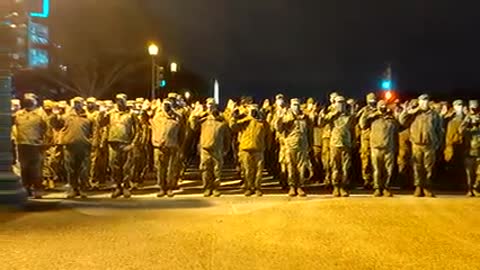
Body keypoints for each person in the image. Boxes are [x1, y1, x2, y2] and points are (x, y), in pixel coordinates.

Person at [399, 94, 443, 197]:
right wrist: (406, 111)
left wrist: (438, 143)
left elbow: (439, 130)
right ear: (419, 101)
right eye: (422, 100)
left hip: (430, 144)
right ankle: (418, 187)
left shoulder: (434, 114)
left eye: (426, 100)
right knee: (417, 166)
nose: (425, 102)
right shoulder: (414, 113)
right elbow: (402, 121)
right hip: (416, 143)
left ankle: (426, 187)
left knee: (428, 167)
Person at [51, 97, 93, 198]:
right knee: (71, 169)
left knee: (84, 169)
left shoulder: (89, 117)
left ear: (83, 104)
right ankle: (73, 189)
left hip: (84, 146)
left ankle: (82, 189)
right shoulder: (66, 116)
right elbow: (55, 125)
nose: (77, 105)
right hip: (70, 146)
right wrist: (55, 115)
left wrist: (93, 142)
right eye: (75, 103)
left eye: (79, 103)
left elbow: (94, 131)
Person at [100, 93, 140, 198]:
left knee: (127, 167)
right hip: (113, 143)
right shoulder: (111, 113)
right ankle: (118, 187)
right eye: (117, 100)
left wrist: (133, 143)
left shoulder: (131, 114)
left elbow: (138, 130)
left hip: (126, 143)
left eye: (121, 100)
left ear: (125, 101)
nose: (119, 102)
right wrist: (102, 114)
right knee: (114, 167)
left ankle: (126, 186)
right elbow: (101, 124)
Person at [189, 98, 230, 197]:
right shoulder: (203, 118)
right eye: (208, 104)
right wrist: (195, 114)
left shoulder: (221, 119)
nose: (210, 106)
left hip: (217, 148)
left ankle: (216, 188)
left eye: (212, 104)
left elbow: (227, 136)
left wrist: (226, 149)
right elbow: (193, 127)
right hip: (205, 148)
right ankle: (207, 187)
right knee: (205, 170)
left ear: (215, 105)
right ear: (206, 105)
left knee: (217, 170)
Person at [360, 100, 398, 197]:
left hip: (388, 147)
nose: (383, 108)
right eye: (381, 106)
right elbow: (362, 124)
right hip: (376, 147)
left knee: (388, 169)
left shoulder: (391, 118)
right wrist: (369, 114)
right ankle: (377, 188)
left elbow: (400, 127)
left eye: (384, 106)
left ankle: (385, 187)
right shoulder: (373, 118)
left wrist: (397, 113)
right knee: (376, 169)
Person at [275, 98, 312, 197]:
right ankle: (291, 186)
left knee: (301, 167)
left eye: (297, 104)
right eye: (294, 104)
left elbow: (310, 132)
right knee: (290, 166)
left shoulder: (305, 117)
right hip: (290, 145)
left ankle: (300, 186)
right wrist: (280, 117)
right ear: (290, 106)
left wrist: (310, 145)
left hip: (302, 145)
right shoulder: (287, 116)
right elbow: (278, 129)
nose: (296, 106)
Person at [14, 93, 48, 198]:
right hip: (22, 145)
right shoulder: (18, 114)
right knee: (24, 169)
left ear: (35, 101)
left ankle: (38, 190)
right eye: (26, 100)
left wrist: (45, 143)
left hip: (35, 145)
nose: (28, 101)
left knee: (36, 170)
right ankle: (26, 189)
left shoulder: (41, 114)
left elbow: (47, 129)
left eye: (31, 100)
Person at [231, 104, 269, 196]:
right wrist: (234, 117)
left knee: (258, 171)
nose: (253, 112)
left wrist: (261, 117)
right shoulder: (245, 121)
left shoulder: (262, 122)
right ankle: (249, 187)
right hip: (245, 149)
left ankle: (257, 188)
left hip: (258, 149)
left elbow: (268, 132)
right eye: (252, 110)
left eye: (255, 110)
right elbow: (233, 127)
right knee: (247, 170)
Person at [320, 95, 355, 197]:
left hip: (346, 144)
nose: (340, 104)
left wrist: (353, 141)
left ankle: (343, 186)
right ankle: (336, 186)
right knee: (335, 166)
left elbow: (353, 130)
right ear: (334, 103)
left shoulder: (349, 116)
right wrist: (332, 113)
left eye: (342, 102)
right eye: (338, 102)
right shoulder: (332, 115)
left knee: (345, 167)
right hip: (335, 143)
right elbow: (321, 123)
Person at [151, 99, 183, 197]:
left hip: (172, 146)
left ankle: (169, 187)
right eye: (164, 105)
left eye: (168, 105)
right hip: (160, 146)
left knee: (171, 168)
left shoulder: (176, 118)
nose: (166, 107)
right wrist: (155, 142)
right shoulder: (158, 117)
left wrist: (180, 146)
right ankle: (161, 187)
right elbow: (154, 129)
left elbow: (181, 133)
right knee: (160, 168)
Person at [356, 92, 377, 188]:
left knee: (376, 160)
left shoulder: (379, 110)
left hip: (376, 139)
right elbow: (361, 124)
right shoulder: (363, 111)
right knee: (366, 159)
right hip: (366, 138)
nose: (372, 103)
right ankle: (367, 179)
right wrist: (367, 115)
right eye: (370, 101)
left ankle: (376, 180)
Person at [460, 100, 480, 197]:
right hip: (469, 150)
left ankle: (476, 187)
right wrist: (469, 121)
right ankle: (470, 189)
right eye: (472, 106)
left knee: (479, 173)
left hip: (479, 150)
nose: (474, 108)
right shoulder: (467, 118)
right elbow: (461, 130)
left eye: (475, 106)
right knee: (469, 173)